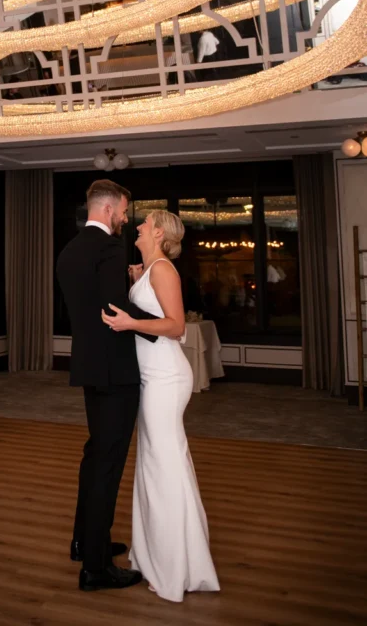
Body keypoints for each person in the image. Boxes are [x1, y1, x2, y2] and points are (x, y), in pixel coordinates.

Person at [102, 209, 220, 602]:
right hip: (153, 377)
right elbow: (157, 312)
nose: (136, 226)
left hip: (166, 379)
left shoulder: (165, 270)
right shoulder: (152, 270)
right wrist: (138, 284)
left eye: (143, 223)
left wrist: (131, 323)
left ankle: (175, 569)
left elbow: (176, 327)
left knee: (164, 469)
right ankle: (158, 557)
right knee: (156, 468)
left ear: (157, 232)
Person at [56, 179, 159, 593]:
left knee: (94, 456)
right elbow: (115, 310)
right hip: (116, 372)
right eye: (124, 211)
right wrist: (165, 327)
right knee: (107, 466)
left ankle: (85, 541)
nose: (125, 218)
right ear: (110, 208)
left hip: (88, 367)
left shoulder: (70, 249)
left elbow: (91, 306)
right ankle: (96, 568)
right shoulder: (112, 248)